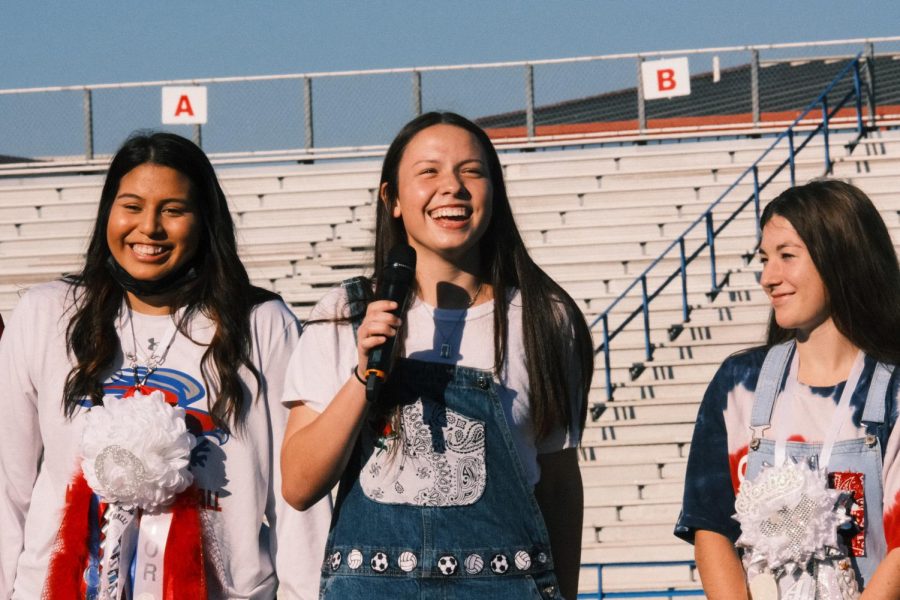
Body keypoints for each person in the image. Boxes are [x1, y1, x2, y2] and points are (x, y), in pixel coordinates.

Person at [0, 132, 330, 599]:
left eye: (173, 210)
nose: (149, 227)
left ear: (204, 221)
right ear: (107, 213)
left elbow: (295, 503)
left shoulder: (261, 323)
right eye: (131, 206)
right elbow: (7, 488)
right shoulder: (46, 314)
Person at [280, 112, 593, 599]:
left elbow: (557, 483)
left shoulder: (543, 319)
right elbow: (299, 485)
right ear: (394, 200)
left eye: (471, 171)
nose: (453, 187)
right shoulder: (343, 314)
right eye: (429, 172)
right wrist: (363, 377)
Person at [675, 180, 900, 598]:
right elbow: (711, 526)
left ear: (841, 258)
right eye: (764, 259)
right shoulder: (736, 385)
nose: (767, 277)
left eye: (786, 257)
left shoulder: (893, 393)